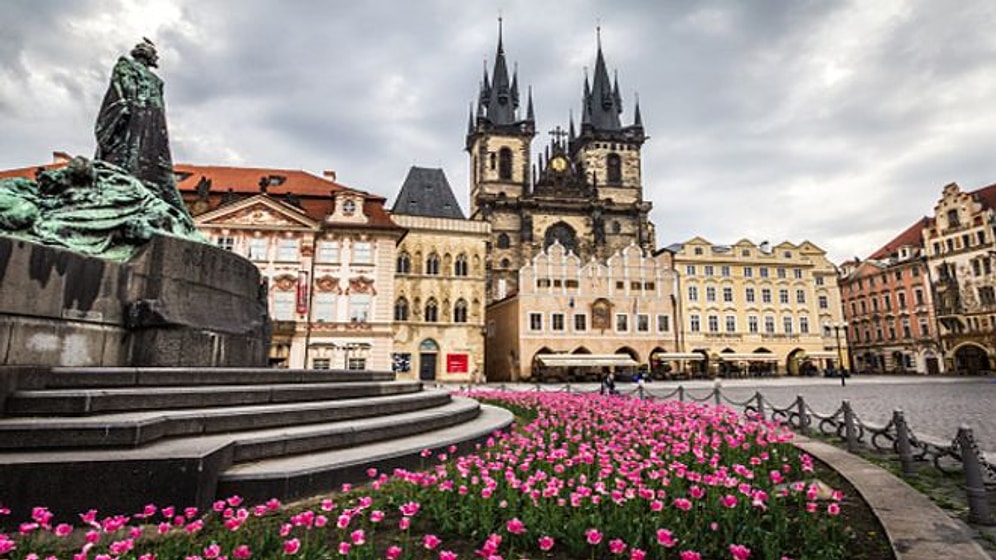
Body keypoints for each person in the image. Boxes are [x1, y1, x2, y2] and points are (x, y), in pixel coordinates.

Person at [94, 38, 189, 217]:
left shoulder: (157, 81)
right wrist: (123, 105)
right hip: (133, 114)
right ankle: (124, 182)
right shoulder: (125, 65)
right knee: (128, 150)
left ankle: (144, 185)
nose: (154, 57)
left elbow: (159, 104)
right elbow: (118, 88)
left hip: (152, 120)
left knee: (149, 155)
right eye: (153, 54)